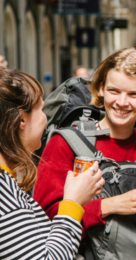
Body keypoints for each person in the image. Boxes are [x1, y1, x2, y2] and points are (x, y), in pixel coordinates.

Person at [34, 48, 136, 254]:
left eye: (134, 94)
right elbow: (44, 223)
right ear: (101, 89)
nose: (122, 102)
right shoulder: (66, 143)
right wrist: (110, 206)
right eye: (114, 91)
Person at [0, 68, 104, 259]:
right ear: (21, 119)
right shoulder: (6, 197)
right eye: (41, 108)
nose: (46, 117)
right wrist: (72, 202)